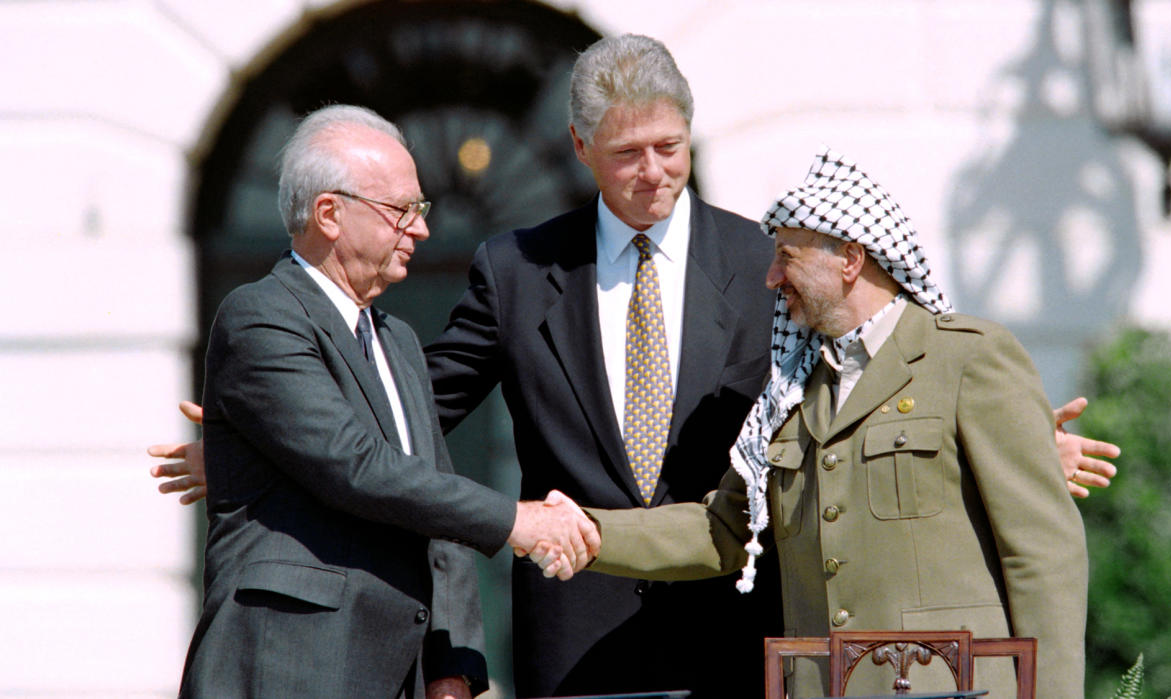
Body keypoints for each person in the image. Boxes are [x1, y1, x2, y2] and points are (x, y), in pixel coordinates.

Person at [150, 36, 1117, 697]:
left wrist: (1013, 444)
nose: (653, 171)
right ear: (580, 150)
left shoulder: (767, 262)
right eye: (627, 154)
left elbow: (877, 395)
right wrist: (262, 449)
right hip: (579, 635)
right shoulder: (516, 266)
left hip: (749, 635)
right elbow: (413, 410)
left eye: (671, 148)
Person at [575, 147, 1090, 698]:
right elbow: (722, 529)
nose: (771, 278)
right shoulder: (790, 391)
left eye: (787, 258)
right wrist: (586, 531)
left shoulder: (969, 358)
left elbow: (1042, 554)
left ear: (849, 259)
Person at [175, 104, 597, 699]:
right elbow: (356, 466)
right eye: (402, 210)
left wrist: (455, 665)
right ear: (329, 214)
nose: (422, 228)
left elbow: (431, 502)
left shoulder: (396, 340)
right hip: (288, 668)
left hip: (398, 673)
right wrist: (516, 521)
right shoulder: (260, 315)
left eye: (419, 210)